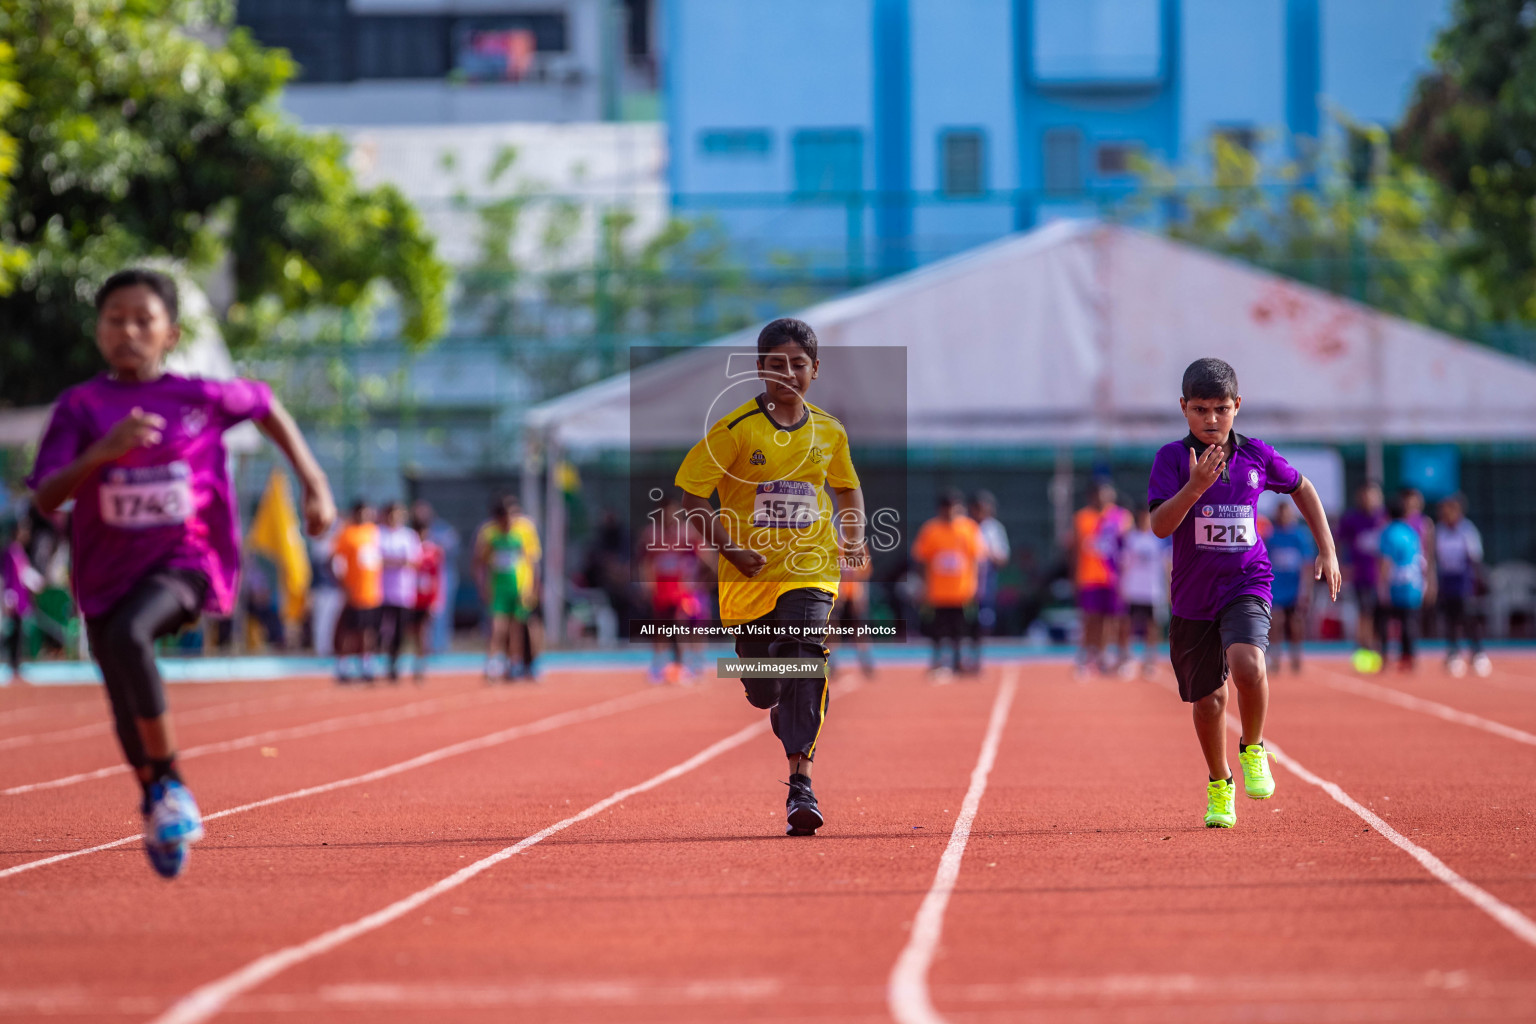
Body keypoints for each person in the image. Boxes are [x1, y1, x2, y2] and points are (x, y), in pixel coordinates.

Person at [25, 267, 334, 878]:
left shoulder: (200, 396)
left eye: (144, 319)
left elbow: (268, 405)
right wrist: (102, 453)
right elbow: (47, 496)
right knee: (118, 681)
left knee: (130, 635)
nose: (128, 331)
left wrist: (314, 483)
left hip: (187, 561)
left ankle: (170, 785)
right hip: (106, 569)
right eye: (115, 319)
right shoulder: (82, 407)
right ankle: (156, 798)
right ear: (98, 331)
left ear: (172, 333)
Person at [676, 317, 866, 837]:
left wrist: (852, 534)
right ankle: (781, 707)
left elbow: (846, 489)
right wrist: (731, 550)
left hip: (812, 568)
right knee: (764, 689)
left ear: (815, 370)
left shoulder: (830, 431)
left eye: (798, 365)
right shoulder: (734, 430)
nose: (788, 374)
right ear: (760, 369)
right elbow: (692, 498)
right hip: (748, 582)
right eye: (776, 364)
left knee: (807, 656)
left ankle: (800, 783)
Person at [1148, 358, 1339, 829]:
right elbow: (1159, 526)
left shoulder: (1256, 455)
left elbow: (1303, 488)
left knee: (1249, 664)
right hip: (1193, 595)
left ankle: (1253, 746)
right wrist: (1195, 487)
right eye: (1199, 410)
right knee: (1209, 701)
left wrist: (1328, 549)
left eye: (1220, 409)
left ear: (1237, 405)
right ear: (1183, 408)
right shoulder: (1172, 459)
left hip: (1247, 581)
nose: (1211, 420)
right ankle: (1220, 783)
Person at [912, 491, 982, 680]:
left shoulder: (968, 528)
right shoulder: (931, 530)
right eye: (947, 507)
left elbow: (975, 558)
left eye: (954, 507)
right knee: (937, 629)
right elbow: (922, 559)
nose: (950, 511)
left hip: (961, 590)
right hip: (937, 591)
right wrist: (923, 585)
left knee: (960, 629)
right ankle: (937, 661)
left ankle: (958, 662)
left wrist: (975, 584)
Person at [474, 496, 541, 681]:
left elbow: (533, 561)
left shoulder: (525, 530)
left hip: (520, 588)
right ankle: (492, 663)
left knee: (518, 629)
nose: (509, 523)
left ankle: (516, 665)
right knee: (497, 628)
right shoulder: (489, 533)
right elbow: (479, 562)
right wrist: (482, 586)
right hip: (498, 588)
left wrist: (534, 587)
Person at [639, 495, 705, 683]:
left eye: (673, 512)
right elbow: (645, 561)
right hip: (661, 586)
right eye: (666, 512)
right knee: (660, 626)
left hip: (681, 587)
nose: (670, 516)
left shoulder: (687, 533)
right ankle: (658, 665)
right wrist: (647, 583)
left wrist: (697, 580)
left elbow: (702, 556)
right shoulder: (651, 534)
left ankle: (684, 664)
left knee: (682, 624)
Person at [1072, 480, 1131, 676]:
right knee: (1091, 619)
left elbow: (1126, 548)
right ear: (1091, 496)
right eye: (1097, 494)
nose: (1101, 498)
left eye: (1105, 493)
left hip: (1113, 577)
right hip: (1089, 577)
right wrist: (1074, 576)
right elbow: (1075, 551)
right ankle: (1089, 655)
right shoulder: (1082, 517)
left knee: (1113, 620)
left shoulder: (1120, 517)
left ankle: (1106, 655)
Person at [1435, 494, 1489, 677]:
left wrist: (1479, 581)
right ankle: (1453, 653)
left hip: (1464, 581)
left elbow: (1475, 558)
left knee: (1468, 618)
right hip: (1447, 581)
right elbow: (1436, 558)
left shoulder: (1467, 530)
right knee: (1450, 620)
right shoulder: (1440, 531)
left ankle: (1478, 653)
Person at [331, 500, 383, 683]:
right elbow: (336, 563)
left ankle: (366, 664)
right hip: (353, 592)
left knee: (368, 631)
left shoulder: (374, 532)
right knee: (348, 631)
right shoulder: (346, 534)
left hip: (372, 593)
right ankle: (343, 666)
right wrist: (343, 586)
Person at [1337, 481, 1386, 666]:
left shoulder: (1384, 519)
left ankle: (1380, 649)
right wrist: (1341, 565)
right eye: (1365, 495)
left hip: (1383, 577)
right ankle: (1364, 649)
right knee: (1364, 612)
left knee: (1381, 614)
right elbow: (1339, 542)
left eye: (1373, 495)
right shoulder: (1351, 519)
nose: (1369, 499)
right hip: (1361, 575)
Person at [1376, 494, 1427, 672]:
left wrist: (1382, 586)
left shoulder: (1387, 532)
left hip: (1394, 584)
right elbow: (1420, 559)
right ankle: (1409, 658)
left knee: (1385, 621)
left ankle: (1384, 657)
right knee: (1409, 623)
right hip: (1413, 584)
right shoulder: (1411, 531)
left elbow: (1386, 561)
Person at [1118, 506, 1169, 680]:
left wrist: (1168, 589)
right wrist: (1122, 587)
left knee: (1152, 627)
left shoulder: (1159, 539)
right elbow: (1124, 564)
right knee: (1128, 625)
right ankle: (1128, 659)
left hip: (1153, 591)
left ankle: (1150, 662)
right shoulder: (1130, 538)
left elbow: (1166, 566)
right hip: (1133, 590)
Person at [1266, 501, 1315, 674]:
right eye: (1281, 513)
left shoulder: (1300, 536)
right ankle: (1275, 658)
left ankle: (1296, 657)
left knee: (1296, 624)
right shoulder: (1271, 537)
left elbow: (1307, 565)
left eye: (1287, 513)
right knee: (1276, 623)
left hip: (1295, 588)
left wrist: (1305, 590)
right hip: (1276, 588)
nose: (1284, 516)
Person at [377, 501, 421, 682]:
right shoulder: (379, 534)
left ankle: (394, 664)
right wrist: (397, 561)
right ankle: (377, 661)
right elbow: (375, 560)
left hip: (403, 593)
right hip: (381, 592)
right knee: (381, 630)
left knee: (400, 632)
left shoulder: (409, 536)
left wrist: (391, 561)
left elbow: (414, 561)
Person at [968, 490, 1010, 673]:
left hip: (985, 584)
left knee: (983, 622)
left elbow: (1002, 558)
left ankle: (977, 658)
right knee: (963, 621)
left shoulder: (994, 529)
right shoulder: (965, 526)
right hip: (962, 583)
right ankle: (961, 657)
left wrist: (989, 554)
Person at [2, 519, 44, 683]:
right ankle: (14, 666)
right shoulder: (10, 552)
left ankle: (17, 666)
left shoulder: (20, 552)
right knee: (15, 634)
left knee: (20, 634)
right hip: (14, 600)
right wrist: (8, 596)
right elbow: (8, 575)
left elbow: (25, 574)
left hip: (22, 600)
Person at [409, 513, 445, 682]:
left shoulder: (434, 550)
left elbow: (437, 576)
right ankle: (416, 659)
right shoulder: (408, 548)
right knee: (413, 631)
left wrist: (437, 599)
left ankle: (421, 663)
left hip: (426, 597)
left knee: (424, 632)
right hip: (410, 597)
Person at [830, 549, 876, 680]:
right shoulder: (830, 542)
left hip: (853, 595)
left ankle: (866, 663)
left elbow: (864, 572)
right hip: (836, 594)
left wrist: (861, 595)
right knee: (831, 630)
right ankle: (831, 665)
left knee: (859, 630)